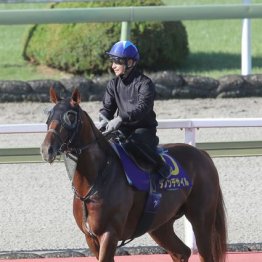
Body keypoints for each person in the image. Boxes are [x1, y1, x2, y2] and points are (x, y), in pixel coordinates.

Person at [98, 40, 170, 178]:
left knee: (132, 143)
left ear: (130, 62)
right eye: (112, 61)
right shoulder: (112, 84)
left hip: (143, 130)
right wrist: (103, 119)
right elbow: (107, 108)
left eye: (117, 62)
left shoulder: (145, 83)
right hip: (122, 130)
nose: (113, 66)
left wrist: (120, 118)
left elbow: (142, 108)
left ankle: (160, 165)